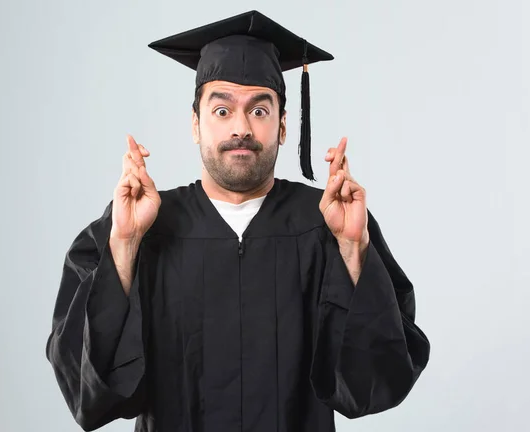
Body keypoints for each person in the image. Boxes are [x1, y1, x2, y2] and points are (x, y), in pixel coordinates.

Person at [45, 10, 430, 432]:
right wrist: (123, 246)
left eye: (260, 111)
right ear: (196, 124)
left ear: (283, 126)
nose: (241, 128)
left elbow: (378, 383)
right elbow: (88, 395)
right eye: (222, 110)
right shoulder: (139, 225)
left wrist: (355, 250)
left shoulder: (328, 224)